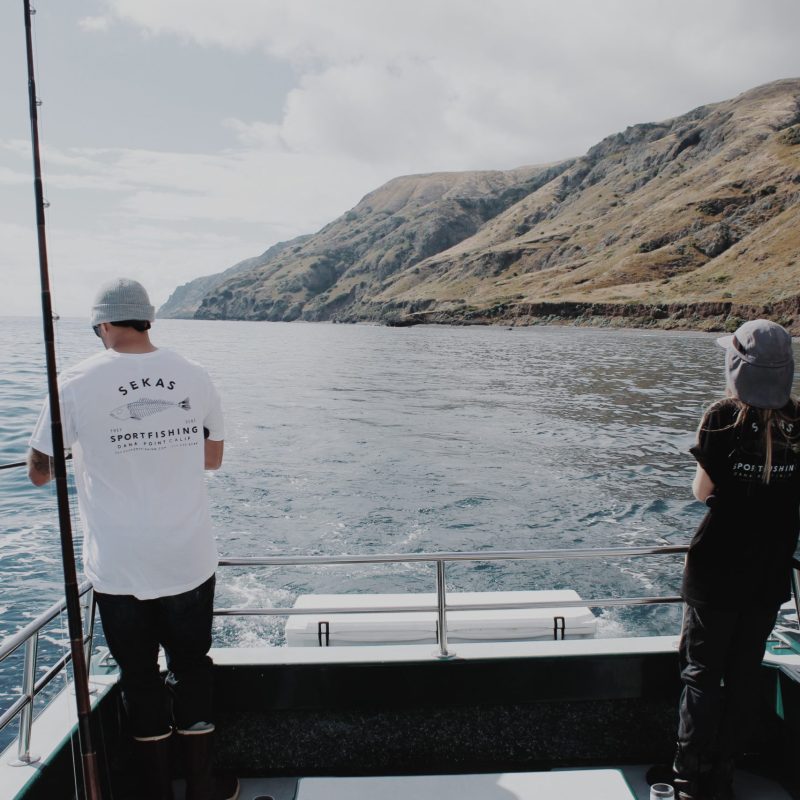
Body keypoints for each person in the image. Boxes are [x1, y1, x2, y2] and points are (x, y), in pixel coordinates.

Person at [27, 278, 238, 800]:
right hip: (188, 558)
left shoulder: (75, 381)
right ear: (148, 319)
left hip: (120, 567)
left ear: (102, 325)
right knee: (192, 669)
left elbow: (38, 471)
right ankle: (204, 789)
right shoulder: (194, 374)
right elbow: (213, 458)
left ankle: (154, 791)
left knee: (139, 676)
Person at [674, 319, 800, 800]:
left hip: (716, 569)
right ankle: (723, 775)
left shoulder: (722, 416)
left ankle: (688, 776)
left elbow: (701, 491)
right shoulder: (799, 421)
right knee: (746, 673)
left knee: (701, 673)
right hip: (769, 572)